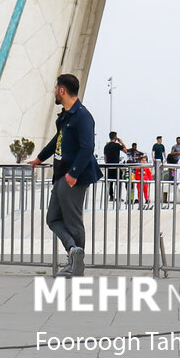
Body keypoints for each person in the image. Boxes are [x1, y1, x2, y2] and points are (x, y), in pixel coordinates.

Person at [29, 74, 101, 276]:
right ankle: (73, 250)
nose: (54, 91)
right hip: (62, 175)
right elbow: (56, 141)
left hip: (73, 177)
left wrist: (74, 174)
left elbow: (87, 148)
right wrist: (39, 158)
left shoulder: (83, 116)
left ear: (62, 91)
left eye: (55, 88)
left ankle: (76, 266)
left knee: (73, 222)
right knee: (52, 219)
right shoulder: (66, 116)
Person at [103, 131, 125, 202]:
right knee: (118, 181)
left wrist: (107, 163)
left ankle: (111, 196)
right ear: (115, 137)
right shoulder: (117, 145)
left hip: (109, 166)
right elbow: (126, 150)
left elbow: (105, 157)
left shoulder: (106, 146)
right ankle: (118, 196)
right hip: (116, 165)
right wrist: (121, 142)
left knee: (110, 182)